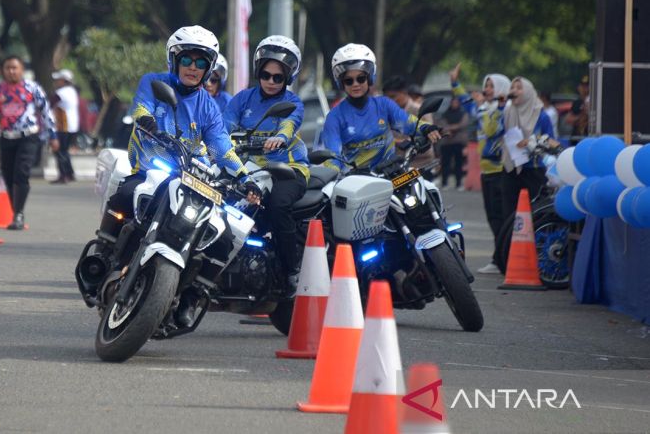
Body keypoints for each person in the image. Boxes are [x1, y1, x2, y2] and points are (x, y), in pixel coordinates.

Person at [97, 25, 259, 327]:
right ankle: (103, 256)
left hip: (189, 181)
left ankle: (191, 296)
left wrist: (245, 178)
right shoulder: (153, 82)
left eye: (201, 63)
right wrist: (148, 122)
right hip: (150, 172)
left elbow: (222, 146)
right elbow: (142, 108)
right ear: (174, 60)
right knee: (125, 193)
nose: (193, 68)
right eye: (187, 60)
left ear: (209, 68)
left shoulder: (209, 108)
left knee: (226, 234)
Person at [223, 35, 308, 297]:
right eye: (266, 75)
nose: (271, 82)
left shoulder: (293, 103)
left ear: (288, 78)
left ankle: (292, 270)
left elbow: (289, 125)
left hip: (287, 170)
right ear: (258, 72)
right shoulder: (242, 100)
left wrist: (280, 138)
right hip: (248, 170)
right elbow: (222, 128)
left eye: (278, 77)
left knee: (278, 206)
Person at [321, 43, 441, 173]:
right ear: (341, 83)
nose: (355, 84)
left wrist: (426, 128)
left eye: (361, 79)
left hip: (391, 177)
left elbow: (408, 122)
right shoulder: (334, 117)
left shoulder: (384, 105)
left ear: (369, 78)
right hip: (354, 184)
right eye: (349, 81)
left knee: (424, 188)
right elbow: (332, 157)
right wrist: (332, 174)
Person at [0, 56, 59, 230]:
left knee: (21, 173)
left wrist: (53, 135)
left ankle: (18, 213)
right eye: (8, 68)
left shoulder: (32, 88)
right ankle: (15, 210)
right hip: (6, 137)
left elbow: (46, 112)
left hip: (28, 136)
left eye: (15, 68)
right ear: (3, 71)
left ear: (21, 70)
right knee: (8, 175)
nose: (11, 71)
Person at [450, 63, 510, 273]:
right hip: (487, 171)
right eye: (486, 86)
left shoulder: (503, 111)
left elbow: (493, 130)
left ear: (502, 88)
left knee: (502, 218)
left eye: (492, 86)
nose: (487, 90)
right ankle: (499, 258)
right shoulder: (485, 108)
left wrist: (484, 108)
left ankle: (502, 259)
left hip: (501, 171)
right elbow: (466, 103)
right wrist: (455, 83)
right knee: (493, 217)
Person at [501, 76, 555, 219]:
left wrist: (531, 141)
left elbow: (550, 140)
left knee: (535, 214)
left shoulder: (541, 116)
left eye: (519, 88)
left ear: (529, 92)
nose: (514, 91)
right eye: (512, 88)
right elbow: (495, 133)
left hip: (533, 170)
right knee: (509, 215)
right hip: (511, 169)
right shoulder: (507, 112)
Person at [382, 75, 437, 177]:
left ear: (404, 93)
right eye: (387, 98)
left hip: (421, 163)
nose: (390, 101)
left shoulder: (420, 110)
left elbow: (428, 135)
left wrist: (397, 141)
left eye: (393, 97)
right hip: (397, 165)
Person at [50, 69, 79, 183]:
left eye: (58, 80)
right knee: (65, 150)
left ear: (63, 81)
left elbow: (49, 104)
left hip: (63, 125)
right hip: (72, 126)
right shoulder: (72, 91)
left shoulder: (61, 92)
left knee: (59, 150)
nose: (56, 82)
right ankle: (70, 173)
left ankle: (63, 175)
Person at [436, 97, 469, 190]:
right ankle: (444, 183)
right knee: (445, 163)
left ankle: (459, 183)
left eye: (456, 102)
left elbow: (464, 124)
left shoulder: (462, 113)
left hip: (458, 142)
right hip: (447, 142)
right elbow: (442, 124)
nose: (454, 104)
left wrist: (452, 128)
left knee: (458, 163)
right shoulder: (445, 114)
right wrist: (449, 129)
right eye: (453, 102)